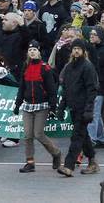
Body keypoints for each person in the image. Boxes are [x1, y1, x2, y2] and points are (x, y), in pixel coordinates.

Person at [12, 41, 62, 173]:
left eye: (35, 49)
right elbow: (22, 88)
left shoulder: (45, 68)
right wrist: (17, 104)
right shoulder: (26, 67)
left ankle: (56, 153)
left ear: (39, 52)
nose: (32, 52)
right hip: (28, 106)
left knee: (38, 134)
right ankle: (30, 162)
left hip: (42, 106)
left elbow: (52, 90)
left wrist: (53, 108)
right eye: (30, 50)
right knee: (27, 135)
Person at [56, 38, 99, 177]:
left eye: (79, 48)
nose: (76, 51)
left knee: (76, 136)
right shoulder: (68, 67)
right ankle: (92, 162)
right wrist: (61, 108)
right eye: (74, 48)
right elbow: (66, 89)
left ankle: (69, 166)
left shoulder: (87, 67)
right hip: (73, 107)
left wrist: (88, 109)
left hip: (83, 107)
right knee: (83, 136)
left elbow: (92, 89)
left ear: (83, 51)